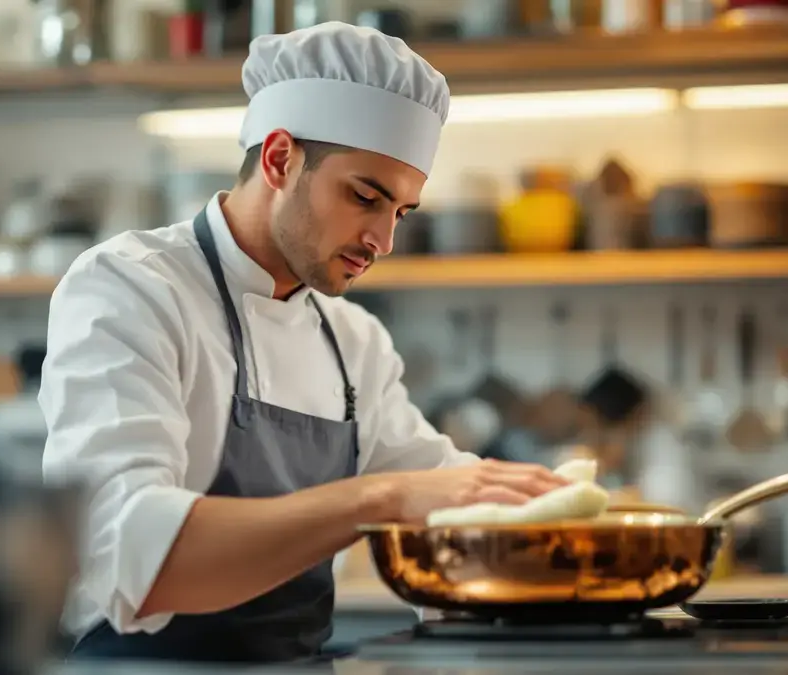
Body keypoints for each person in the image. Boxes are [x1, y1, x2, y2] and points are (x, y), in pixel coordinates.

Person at [39, 21, 570, 664]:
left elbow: (441, 491)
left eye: (399, 212)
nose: (384, 240)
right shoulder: (129, 288)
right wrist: (381, 499)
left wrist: (555, 509)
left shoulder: (353, 340)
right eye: (365, 196)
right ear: (279, 159)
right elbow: (131, 555)